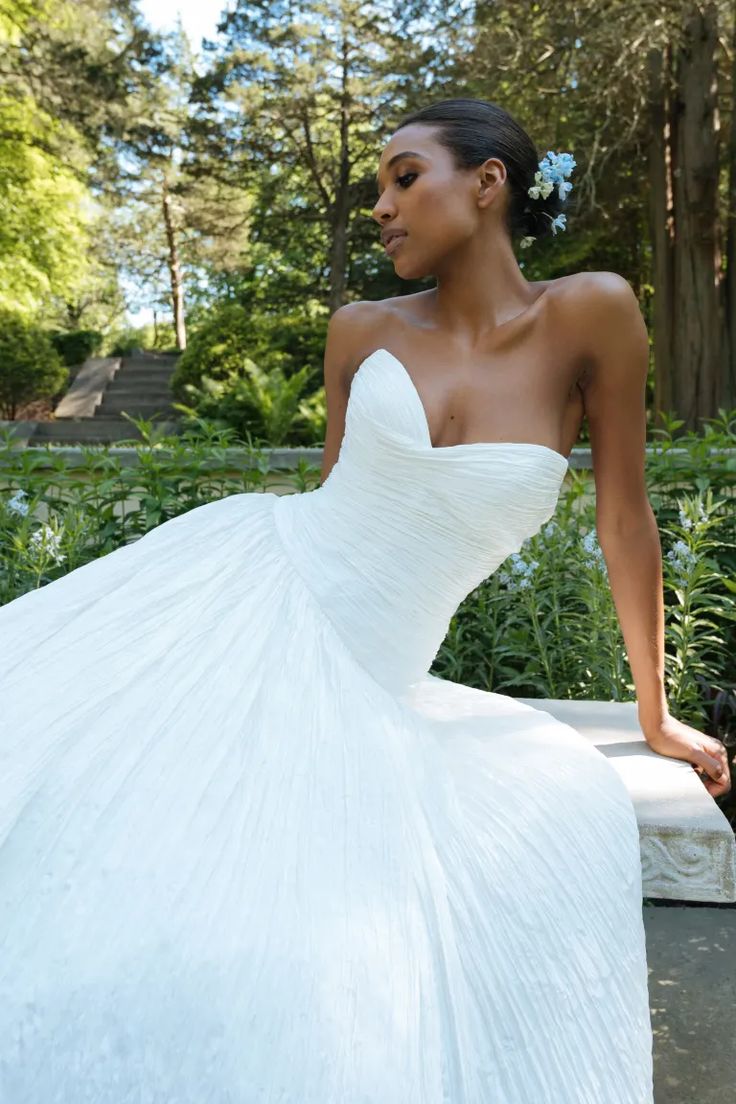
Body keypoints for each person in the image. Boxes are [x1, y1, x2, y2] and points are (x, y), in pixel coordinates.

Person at [0, 96, 728, 1103]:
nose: (380, 206)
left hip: (377, 670)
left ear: (487, 182)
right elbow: (341, 498)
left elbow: (625, 523)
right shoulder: (360, 328)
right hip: (254, 586)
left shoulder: (591, 311)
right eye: (376, 187)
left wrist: (653, 710)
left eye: (403, 176)